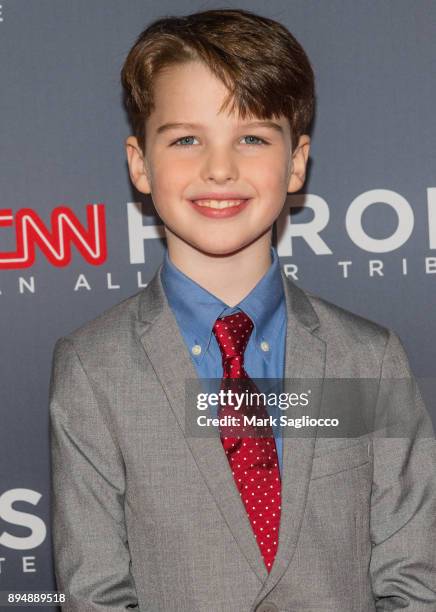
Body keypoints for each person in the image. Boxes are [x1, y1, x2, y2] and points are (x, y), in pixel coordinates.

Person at [49, 8, 436, 611]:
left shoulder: (370, 358)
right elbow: (95, 591)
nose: (220, 168)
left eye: (252, 137)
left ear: (297, 161)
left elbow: (413, 579)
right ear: (139, 163)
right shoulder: (93, 368)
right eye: (186, 139)